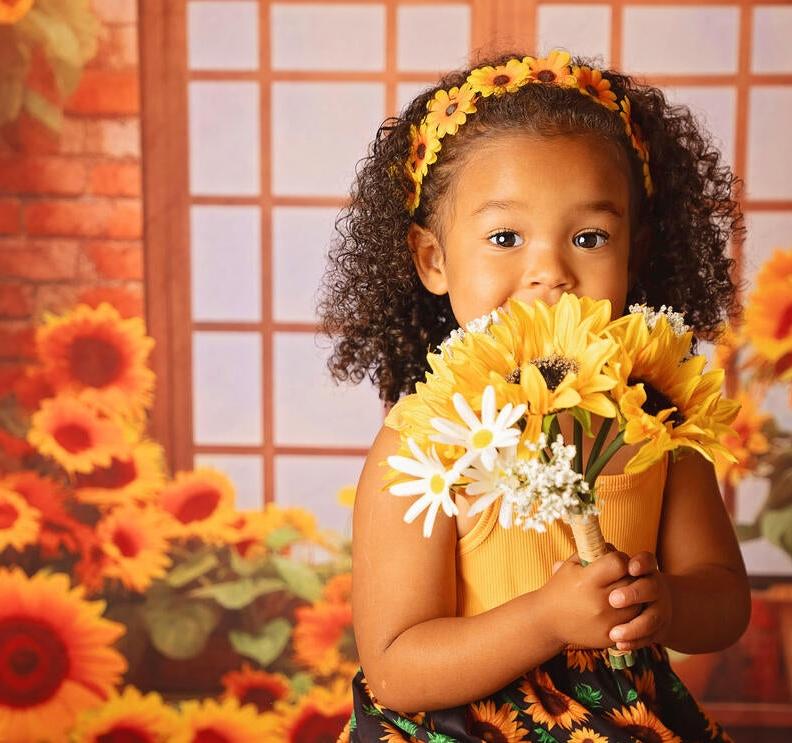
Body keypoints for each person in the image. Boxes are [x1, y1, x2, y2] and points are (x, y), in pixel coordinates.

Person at [318, 49, 750, 743]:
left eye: (589, 237)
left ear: (634, 254)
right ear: (434, 259)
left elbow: (725, 597)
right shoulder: (426, 441)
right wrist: (547, 619)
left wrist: (667, 604)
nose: (549, 271)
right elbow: (397, 667)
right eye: (504, 236)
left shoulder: (654, 416)